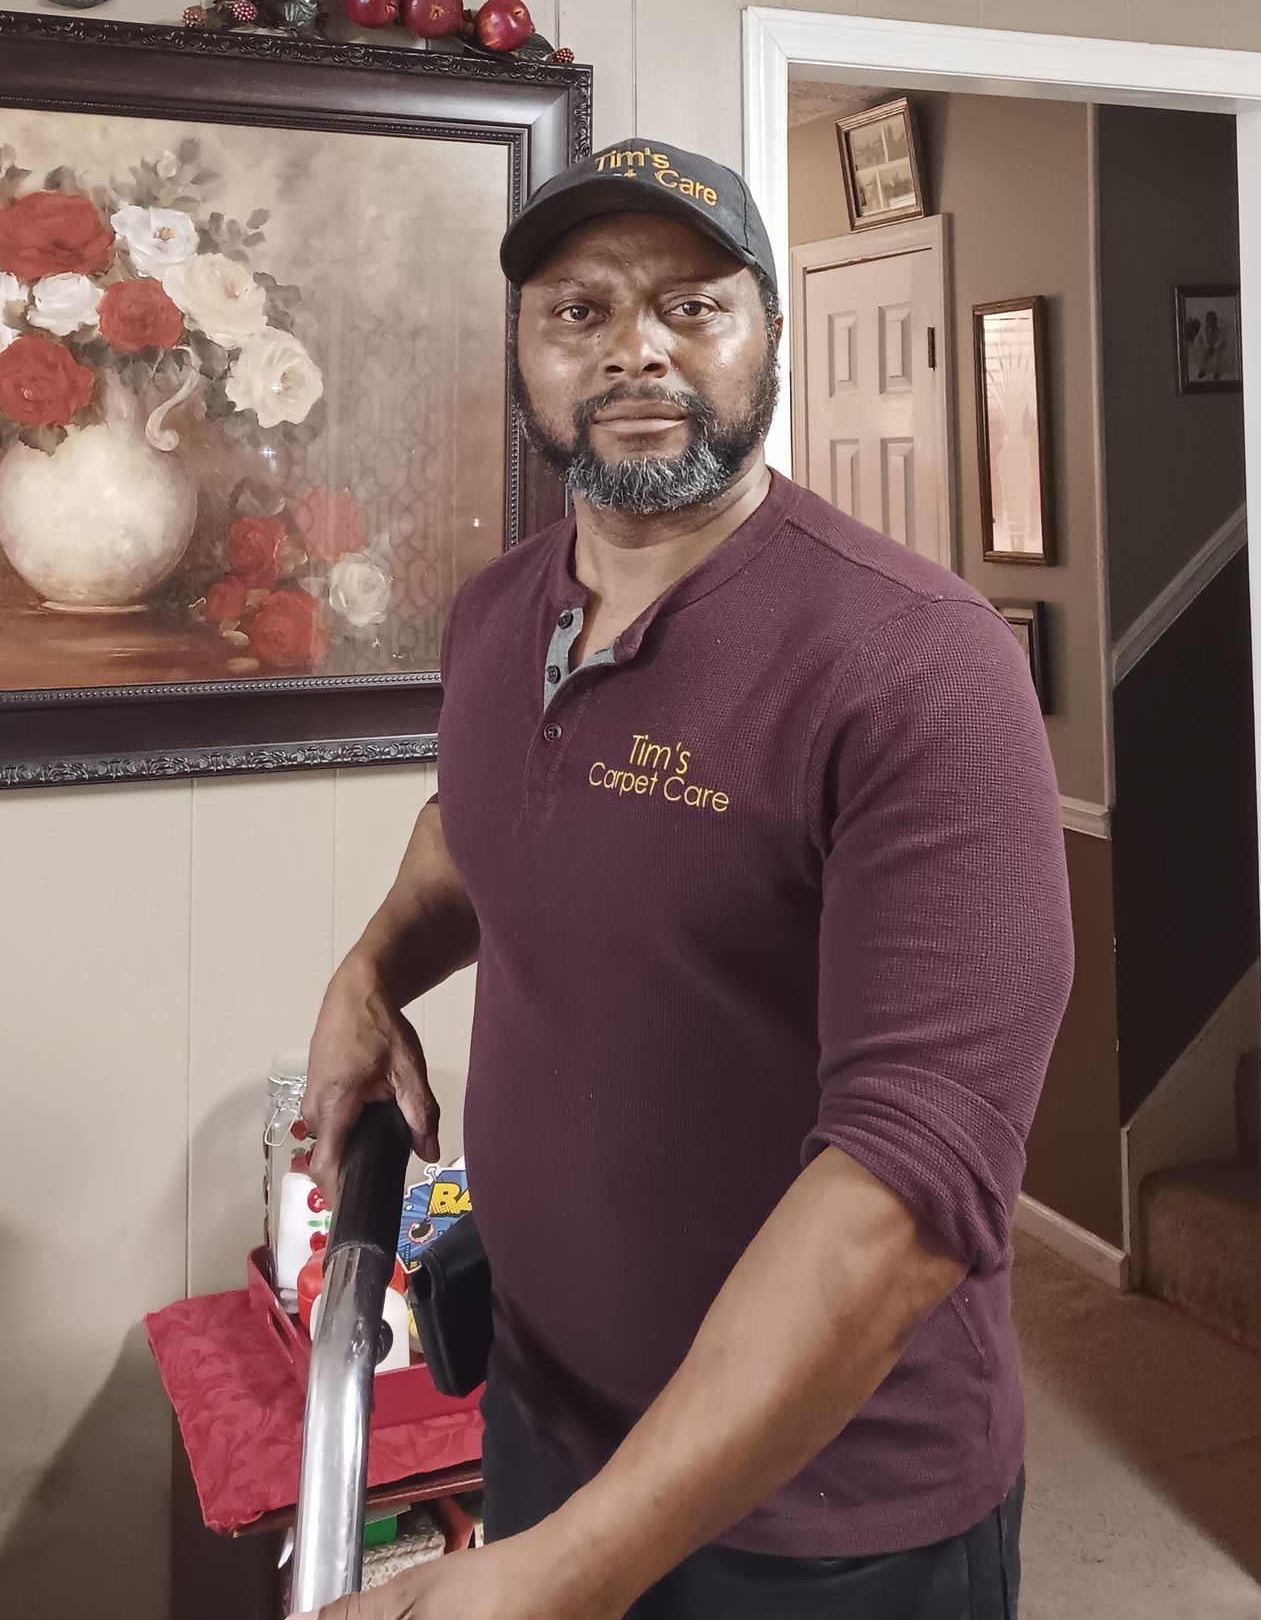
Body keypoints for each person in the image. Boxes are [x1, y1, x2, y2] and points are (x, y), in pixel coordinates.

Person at [296, 138, 1074, 1620]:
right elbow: (484, 822)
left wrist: (563, 1579)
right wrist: (373, 967)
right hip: (543, 1426)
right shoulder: (498, 616)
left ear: (767, 336)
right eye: (578, 311)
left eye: (692, 305)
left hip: (831, 1518)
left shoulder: (917, 665)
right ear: (523, 356)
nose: (635, 345)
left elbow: (909, 1192)